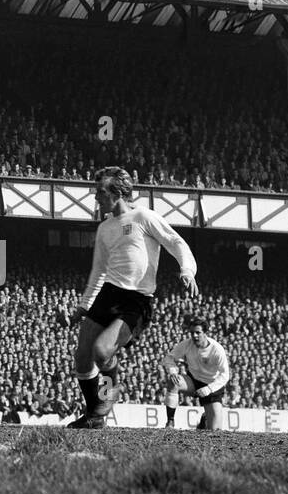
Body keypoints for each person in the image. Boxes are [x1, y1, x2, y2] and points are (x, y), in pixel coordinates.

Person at [67, 166, 198, 429]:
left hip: (136, 300)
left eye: (100, 192)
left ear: (117, 193)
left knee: (102, 351)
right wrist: (84, 305)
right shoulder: (105, 227)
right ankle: (95, 415)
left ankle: (110, 390)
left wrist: (187, 270)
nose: (96, 197)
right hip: (108, 293)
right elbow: (99, 270)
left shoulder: (144, 217)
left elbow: (176, 242)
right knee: (82, 356)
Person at [162, 313, 230, 432]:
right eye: (192, 332)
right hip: (193, 382)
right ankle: (170, 422)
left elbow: (225, 375)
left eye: (198, 332)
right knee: (174, 382)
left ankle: (204, 420)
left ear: (205, 333)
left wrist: (208, 389)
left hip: (212, 387)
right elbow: (169, 358)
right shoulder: (187, 344)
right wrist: (172, 372)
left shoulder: (217, 350)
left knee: (215, 430)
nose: (194, 335)